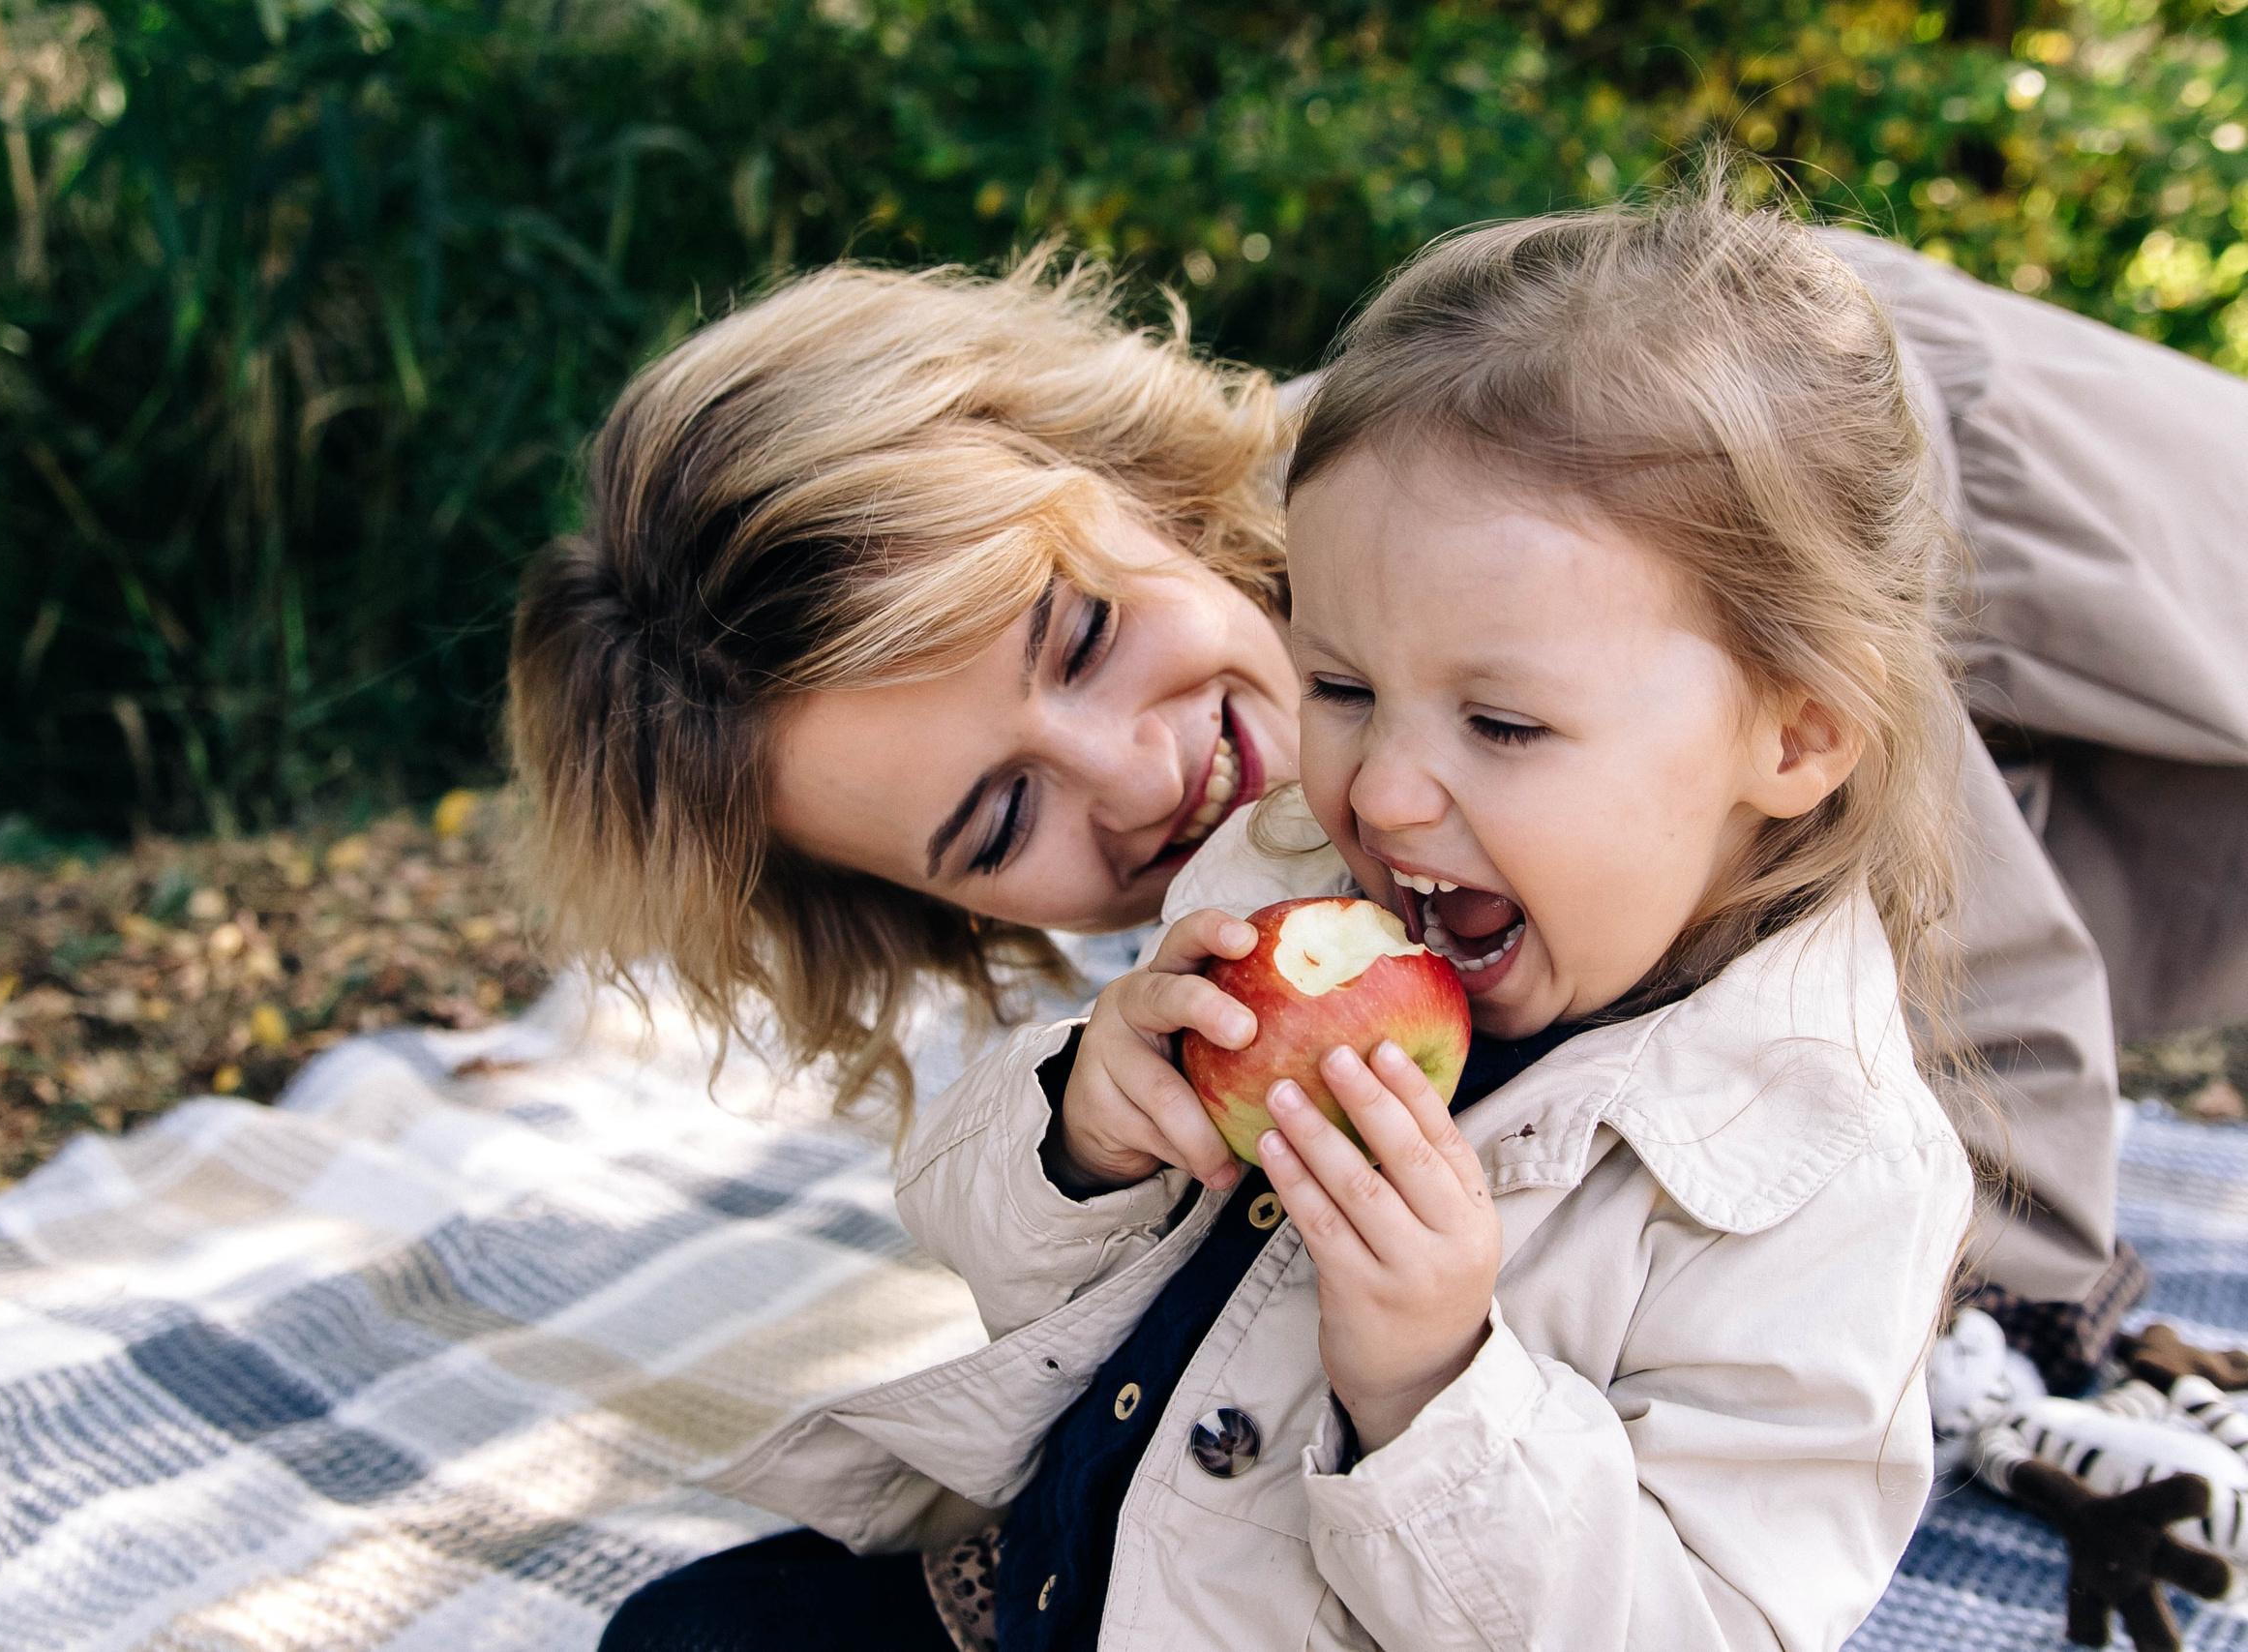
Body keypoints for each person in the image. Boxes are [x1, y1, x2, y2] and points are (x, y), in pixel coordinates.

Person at [509, 184, 2248, 1341]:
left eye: (1086, 636)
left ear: (1117, 478)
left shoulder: (1522, 500)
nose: (1136, 777)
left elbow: (1974, 979)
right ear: (909, 907)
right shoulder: (1287, 877)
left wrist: (2014, 1331)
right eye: (1001, 818)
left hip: (2091, 601)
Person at [612, 181, 1977, 1651]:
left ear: (1794, 739)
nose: (1381, 792)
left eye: (1503, 725)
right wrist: (1084, 1125)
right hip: (1080, 1587)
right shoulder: (1283, 867)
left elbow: (1697, 1627)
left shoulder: (1821, 1178)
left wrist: (1434, 1388)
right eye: (1340, 689)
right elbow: (1003, 1254)